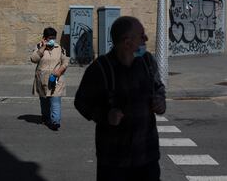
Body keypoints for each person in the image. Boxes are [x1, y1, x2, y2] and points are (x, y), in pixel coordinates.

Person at [74, 16, 166, 181]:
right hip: (113, 162)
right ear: (127, 42)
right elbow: (81, 102)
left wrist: (160, 101)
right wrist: (105, 115)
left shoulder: (147, 62)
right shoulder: (100, 69)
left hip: (147, 156)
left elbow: (159, 88)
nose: (145, 39)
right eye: (141, 35)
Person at [30, 27, 69, 131]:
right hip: (42, 80)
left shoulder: (60, 48)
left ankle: (55, 121)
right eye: (49, 38)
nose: (52, 40)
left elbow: (65, 62)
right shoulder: (39, 47)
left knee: (55, 100)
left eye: (53, 38)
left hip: (56, 79)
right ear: (44, 38)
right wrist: (43, 47)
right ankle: (46, 117)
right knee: (44, 101)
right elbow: (34, 59)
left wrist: (60, 71)